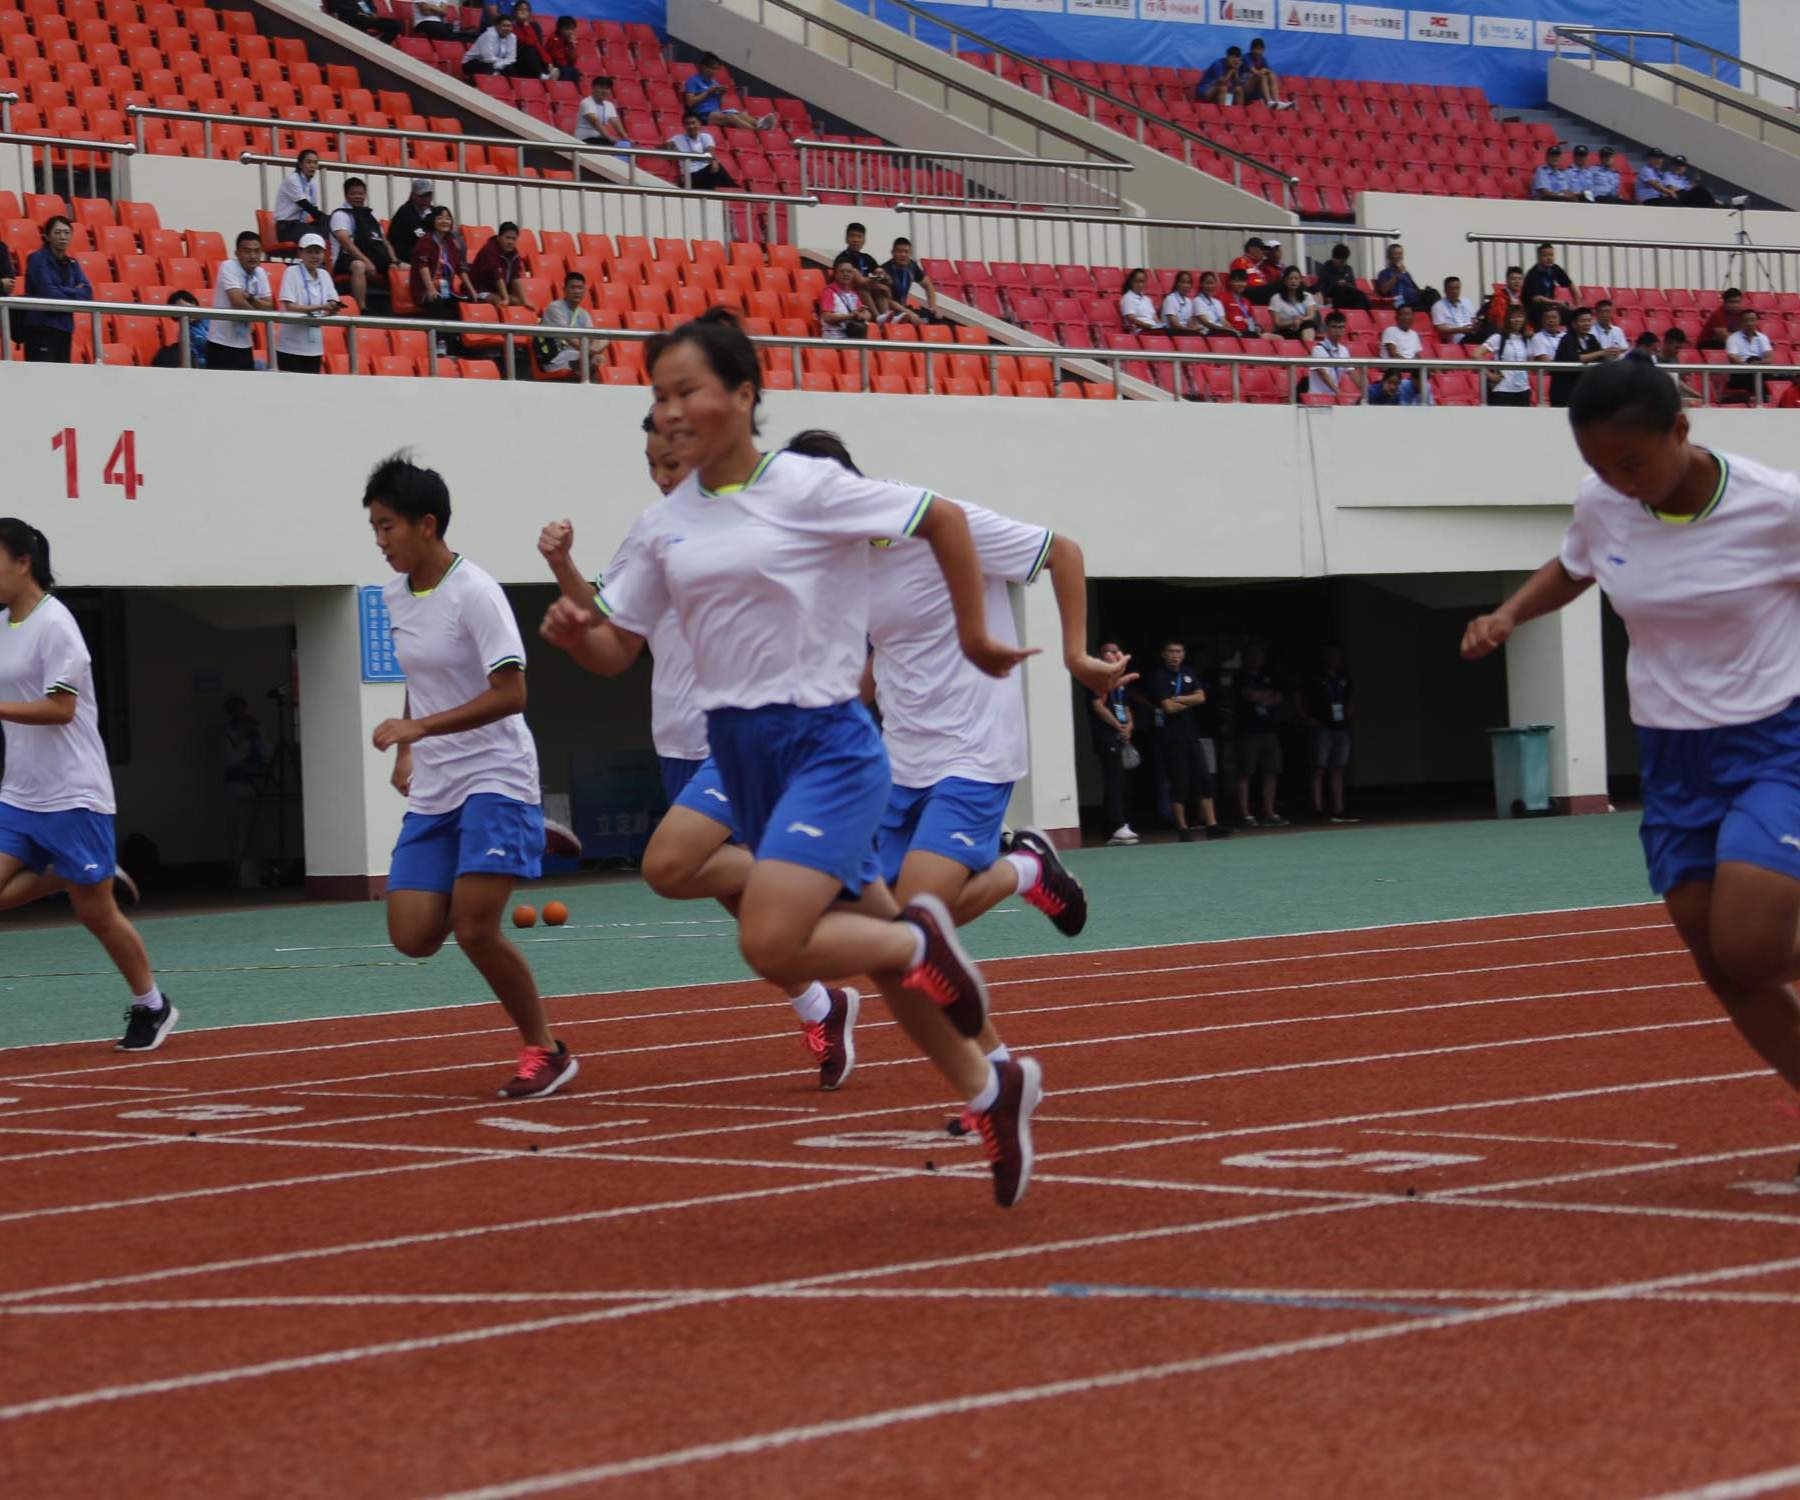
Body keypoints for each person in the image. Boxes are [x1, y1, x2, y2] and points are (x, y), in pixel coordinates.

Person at [540, 309, 1044, 1206]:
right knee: (886, 971)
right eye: (658, 397)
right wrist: (581, 636)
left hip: (827, 744)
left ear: (743, 394)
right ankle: (992, 1082)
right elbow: (621, 650)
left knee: (770, 937)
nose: (671, 412)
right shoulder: (665, 526)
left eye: (688, 390)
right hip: (741, 751)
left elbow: (945, 521)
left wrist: (974, 633)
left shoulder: (808, 487)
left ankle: (920, 932)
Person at [1460, 357, 1800, 1112]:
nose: (1618, 480)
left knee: (1753, 945)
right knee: (1719, 960)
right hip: (1674, 755)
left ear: (1681, 428)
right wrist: (1510, 612)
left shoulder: (1778, 508)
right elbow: (1577, 566)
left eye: (1632, 461)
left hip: (1777, 739)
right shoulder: (1603, 502)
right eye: (1597, 466)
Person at [789, 432, 1120, 1112]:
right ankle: (998, 1069)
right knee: (885, 936)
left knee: (916, 923)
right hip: (901, 759)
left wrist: (1076, 655)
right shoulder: (840, 565)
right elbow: (888, 651)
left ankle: (1022, 871)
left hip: (975, 749)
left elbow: (1064, 552)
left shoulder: (944, 524)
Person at [537, 416, 863, 1090]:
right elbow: (611, 630)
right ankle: (821, 1004)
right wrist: (562, 570)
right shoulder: (653, 532)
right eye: (652, 466)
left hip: (744, 733)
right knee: (741, 911)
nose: (662, 478)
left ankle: (818, 871)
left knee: (671, 866)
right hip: (678, 737)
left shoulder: (753, 525)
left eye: (673, 463)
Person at [365, 454, 577, 1100]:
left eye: (388, 527)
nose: (380, 541)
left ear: (427, 525)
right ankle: (530, 835)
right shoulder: (395, 594)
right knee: (412, 935)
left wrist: (420, 732)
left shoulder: (477, 593)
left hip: (495, 771)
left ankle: (545, 1049)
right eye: (373, 528)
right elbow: (420, 678)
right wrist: (409, 749)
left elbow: (512, 693)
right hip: (437, 784)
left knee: (476, 927)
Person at [0, 520, 172, 1052]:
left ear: (22, 561)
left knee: (95, 913)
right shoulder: (4, 623)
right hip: (19, 792)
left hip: (74, 794)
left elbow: (61, 707)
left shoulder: (58, 626)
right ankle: (73, 872)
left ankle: (153, 1005)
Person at [1149, 641, 1226, 841]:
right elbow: (1168, 708)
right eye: (1171, 651)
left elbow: (1201, 697)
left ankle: (1212, 824)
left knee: (1204, 778)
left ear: (1184, 654)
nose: (1175, 655)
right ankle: (1182, 828)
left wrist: (1178, 699)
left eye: (1179, 651)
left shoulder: (1189, 672)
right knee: (1179, 782)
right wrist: (1188, 699)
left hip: (1192, 735)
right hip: (1171, 738)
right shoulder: (1159, 677)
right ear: (1163, 654)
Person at [19, 217, 92, 364]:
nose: (62, 237)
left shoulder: (72, 263)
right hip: (41, 329)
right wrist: (73, 290)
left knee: (61, 380)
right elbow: (48, 293)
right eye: (57, 232)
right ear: (47, 236)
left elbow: (87, 292)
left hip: (64, 329)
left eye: (66, 232)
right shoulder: (37, 259)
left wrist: (61, 289)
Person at [1090, 644, 1138, 845]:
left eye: (1118, 651)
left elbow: (1125, 706)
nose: (1115, 654)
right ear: (1101, 656)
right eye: (1109, 651)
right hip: (1107, 736)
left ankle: (1109, 829)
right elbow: (1098, 706)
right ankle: (1118, 826)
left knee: (1119, 781)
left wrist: (1129, 726)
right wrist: (1118, 726)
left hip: (1120, 735)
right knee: (1113, 780)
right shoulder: (1095, 677)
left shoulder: (1119, 682)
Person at [205, 230, 273, 373]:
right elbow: (237, 301)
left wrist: (249, 297)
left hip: (245, 344)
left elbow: (270, 306)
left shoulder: (260, 272)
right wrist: (257, 310)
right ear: (237, 253)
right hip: (220, 343)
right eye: (247, 251)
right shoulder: (228, 266)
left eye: (257, 251)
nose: (253, 256)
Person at [1235, 642, 1287, 826]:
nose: (1256, 658)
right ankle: (1246, 814)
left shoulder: (1269, 675)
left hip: (1269, 730)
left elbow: (1279, 697)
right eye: (1252, 654)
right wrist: (1266, 697)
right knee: (1246, 772)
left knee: (1271, 771)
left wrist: (1261, 697)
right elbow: (1250, 696)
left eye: (1260, 654)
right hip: (1248, 730)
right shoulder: (1240, 676)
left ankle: (1270, 812)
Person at [275, 233, 340, 374]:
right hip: (291, 347)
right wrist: (322, 307)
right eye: (309, 252)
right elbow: (290, 307)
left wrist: (333, 307)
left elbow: (333, 301)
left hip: (315, 347)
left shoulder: (324, 275)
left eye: (318, 252)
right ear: (300, 253)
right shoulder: (291, 272)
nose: (314, 256)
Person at [1305, 645, 1355, 823]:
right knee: (1319, 767)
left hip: (1341, 727)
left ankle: (1339, 809)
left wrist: (1348, 718)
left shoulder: (1344, 678)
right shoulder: (1316, 678)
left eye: (1336, 656)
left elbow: (1349, 698)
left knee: (1338, 768)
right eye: (1330, 656)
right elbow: (1300, 696)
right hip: (1322, 727)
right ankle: (1317, 809)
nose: (1333, 659)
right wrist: (1307, 718)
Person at [328, 177, 392, 313]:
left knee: (402, 267)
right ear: (346, 195)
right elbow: (346, 244)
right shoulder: (340, 215)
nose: (358, 197)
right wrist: (366, 261)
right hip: (344, 259)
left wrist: (394, 260)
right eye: (353, 194)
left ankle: (400, 309)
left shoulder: (370, 215)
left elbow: (383, 240)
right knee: (359, 265)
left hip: (370, 256)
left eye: (361, 194)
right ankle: (361, 308)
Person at [222, 693, 266, 888]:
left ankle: (257, 876)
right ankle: (242, 878)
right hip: (237, 784)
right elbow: (230, 759)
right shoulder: (228, 732)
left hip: (256, 783)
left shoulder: (255, 732)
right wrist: (242, 738)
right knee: (240, 833)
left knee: (257, 832)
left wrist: (257, 734)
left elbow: (266, 752)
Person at [411, 205, 473, 327]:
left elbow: (460, 269)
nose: (445, 221)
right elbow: (423, 266)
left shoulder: (451, 242)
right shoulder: (426, 240)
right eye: (440, 218)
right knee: (438, 303)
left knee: (463, 305)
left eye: (448, 218)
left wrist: (472, 291)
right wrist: (430, 289)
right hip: (426, 289)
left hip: (445, 289)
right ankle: (440, 342)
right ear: (433, 220)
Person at [683, 51, 774, 132]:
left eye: (716, 69)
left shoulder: (714, 82)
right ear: (703, 67)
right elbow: (690, 102)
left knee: (740, 114)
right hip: (702, 115)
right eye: (713, 68)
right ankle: (757, 131)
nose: (715, 72)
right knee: (731, 117)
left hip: (716, 112)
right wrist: (708, 92)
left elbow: (719, 105)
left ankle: (760, 123)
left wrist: (721, 95)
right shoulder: (693, 80)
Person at [536, 271, 601, 377]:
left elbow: (593, 337)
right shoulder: (555, 307)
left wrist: (592, 350)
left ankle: (585, 368)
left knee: (605, 340)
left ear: (584, 291)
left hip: (578, 353)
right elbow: (568, 337)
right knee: (592, 359)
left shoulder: (584, 314)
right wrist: (589, 352)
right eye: (573, 287)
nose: (577, 291)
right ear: (564, 290)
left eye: (580, 288)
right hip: (555, 357)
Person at [1550, 306, 1606, 408]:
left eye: (1589, 320)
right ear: (1574, 324)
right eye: (1583, 321)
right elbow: (1575, 359)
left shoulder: (1591, 338)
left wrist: (1609, 354)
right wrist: (1600, 353)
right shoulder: (1567, 339)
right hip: (1563, 393)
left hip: (1581, 391)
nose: (1587, 324)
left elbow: (1601, 357)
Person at [1482, 303, 1533, 408]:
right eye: (1514, 317)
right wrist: (1490, 375)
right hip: (1503, 390)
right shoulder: (1498, 338)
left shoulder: (1526, 340)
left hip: (1523, 390)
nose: (1517, 320)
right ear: (1508, 319)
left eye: (1520, 316)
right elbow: (1475, 355)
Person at [272, 150, 328, 245]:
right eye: (308, 162)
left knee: (328, 229)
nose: (312, 166)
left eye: (315, 163)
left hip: (299, 225)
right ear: (300, 165)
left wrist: (326, 222)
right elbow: (305, 205)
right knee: (317, 234)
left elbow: (314, 209)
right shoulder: (292, 179)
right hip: (286, 227)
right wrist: (326, 218)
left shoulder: (311, 184)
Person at [471, 221, 530, 308]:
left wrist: (525, 301)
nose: (510, 242)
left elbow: (515, 278)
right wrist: (506, 298)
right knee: (499, 302)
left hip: (498, 291)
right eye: (507, 238)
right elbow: (498, 277)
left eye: (514, 239)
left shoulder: (514, 253)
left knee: (518, 302)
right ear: (498, 237)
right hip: (480, 290)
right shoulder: (489, 250)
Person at [1306, 311, 1360, 401]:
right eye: (1334, 327)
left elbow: (1352, 373)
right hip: (1317, 398)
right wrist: (1338, 392)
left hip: (1333, 398)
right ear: (1327, 328)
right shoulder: (1318, 349)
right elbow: (1323, 374)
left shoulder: (1344, 350)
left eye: (1341, 327)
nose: (1338, 331)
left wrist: (1365, 391)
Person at [150, 289, 209, 369]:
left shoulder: (213, 319)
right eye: (182, 309)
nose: (188, 312)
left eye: (190, 305)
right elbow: (193, 358)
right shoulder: (185, 333)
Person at [880, 238, 936, 322]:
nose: (903, 255)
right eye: (899, 251)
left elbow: (928, 285)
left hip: (904, 309)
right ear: (892, 253)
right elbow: (887, 301)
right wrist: (910, 313)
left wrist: (932, 307)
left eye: (906, 252)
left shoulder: (912, 266)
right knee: (915, 320)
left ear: (910, 253)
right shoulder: (884, 270)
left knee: (936, 319)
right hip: (891, 312)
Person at [669, 111, 728, 191]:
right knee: (717, 171)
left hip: (705, 172)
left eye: (693, 123)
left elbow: (711, 151)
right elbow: (660, 148)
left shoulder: (706, 137)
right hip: (690, 174)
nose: (691, 126)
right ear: (684, 126)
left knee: (715, 167)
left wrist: (714, 161)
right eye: (687, 124)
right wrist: (669, 146)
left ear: (699, 123)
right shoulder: (677, 139)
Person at [1726, 307, 1774, 402]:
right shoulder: (1733, 338)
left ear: (1757, 321)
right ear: (1741, 322)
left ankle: (1762, 398)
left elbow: (1769, 358)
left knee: (1782, 375)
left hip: (1759, 370)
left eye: (1752, 320)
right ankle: (1764, 398)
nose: (1749, 323)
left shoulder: (1762, 338)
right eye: (1746, 320)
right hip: (1740, 373)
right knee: (1752, 361)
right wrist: (1748, 366)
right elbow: (1732, 357)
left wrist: (1757, 364)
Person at [1267, 266, 1320, 350]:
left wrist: (1300, 320)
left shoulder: (1307, 296)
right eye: (1290, 278)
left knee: (1309, 324)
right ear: (1284, 281)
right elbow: (1277, 323)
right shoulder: (1276, 298)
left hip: (1303, 327)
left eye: (1296, 278)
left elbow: (1311, 315)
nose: (1293, 281)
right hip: (1285, 330)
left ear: (1300, 280)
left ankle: (1309, 350)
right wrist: (1292, 322)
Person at [386, 180, 437, 267]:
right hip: (406, 260)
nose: (425, 199)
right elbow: (420, 237)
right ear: (413, 195)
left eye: (428, 195)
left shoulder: (434, 212)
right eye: (421, 195)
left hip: (427, 259)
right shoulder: (405, 212)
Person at [1523, 242, 1573, 329]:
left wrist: (1578, 303)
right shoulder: (1532, 274)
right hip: (1534, 309)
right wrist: (1557, 302)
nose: (1549, 258)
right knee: (1547, 313)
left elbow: (1570, 285)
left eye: (1551, 255)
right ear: (1539, 258)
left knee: (1573, 314)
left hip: (1550, 306)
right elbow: (1537, 299)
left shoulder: (1555, 268)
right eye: (1545, 256)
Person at [818, 258, 871, 339]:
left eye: (849, 272)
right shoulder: (829, 292)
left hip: (852, 337)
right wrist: (850, 316)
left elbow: (866, 314)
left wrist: (862, 315)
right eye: (842, 271)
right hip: (834, 338)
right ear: (835, 274)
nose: (846, 274)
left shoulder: (854, 294)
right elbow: (827, 317)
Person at [1314, 243, 1370, 312]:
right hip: (1334, 297)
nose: (1343, 263)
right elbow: (1321, 288)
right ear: (1334, 258)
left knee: (1361, 295)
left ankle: (1366, 315)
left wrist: (1347, 284)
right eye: (1341, 261)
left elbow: (1353, 286)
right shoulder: (1326, 269)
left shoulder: (1348, 269)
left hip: (1347, 296)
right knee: (1339, 291)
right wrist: (1335, 285)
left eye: (1344, 261)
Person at [577, 77, 630, 148]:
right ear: (593, 88)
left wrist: (626, 138)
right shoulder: (586, 102)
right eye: (601, 88)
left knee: (625, 145)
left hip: (601, 139)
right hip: (585, 139)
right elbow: (595, 122)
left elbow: (615, 122)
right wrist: (609, 137)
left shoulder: (609, 105)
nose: (605, 91)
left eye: (607, 89)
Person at [1243, 37, 1291, 109]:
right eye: (1256, 49)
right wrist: (1263, 71)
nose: (1258, 52)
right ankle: (1268, 102)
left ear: (1263, 50)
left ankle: (1276, 101)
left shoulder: (1263, 59)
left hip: (1257, 88)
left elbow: (1270, 72)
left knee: (1271, 75)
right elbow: (1255, 72)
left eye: (1260, 49)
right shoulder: (1246, 57)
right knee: (1262, 75)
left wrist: (1266, 71)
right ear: (1251, 49)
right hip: (1245, 87)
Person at [1430, 275, 1477, 344]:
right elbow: (1440, 328)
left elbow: (1473, 320)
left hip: (1471, 333)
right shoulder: (1438, 306)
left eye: (1457, 288)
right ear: (1445, 290)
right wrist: (1460, 330)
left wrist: (1475, 325)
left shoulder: (1466, 302)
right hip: (1456, 339)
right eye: (1452, 289)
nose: (1455, 291)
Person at [1374, 242, 1421, 310]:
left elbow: (1415, 288)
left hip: (1414, 300)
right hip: (1401, 302)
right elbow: (1384, 290)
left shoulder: (1405, 273)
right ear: (1389, 257)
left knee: (1431, 294)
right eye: (1396, 254)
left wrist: (1404, 273)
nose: (1399, 256)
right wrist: (1397, 274)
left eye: (1400, 254)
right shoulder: (1384, 273)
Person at [509, 1, 551, 78]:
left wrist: (549, 62)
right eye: (520, 9)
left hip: (533, 61)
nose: (523, 12)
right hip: (518, 60)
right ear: (515, 12)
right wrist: (526, 25)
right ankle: (540, 75)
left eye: (526, 10)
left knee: (534, 51)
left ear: (529, 13)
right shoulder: (511, 27)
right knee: (529, 49)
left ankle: (543, 73)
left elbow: (538, 46)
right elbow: (528, 42)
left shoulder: (535, 26)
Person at [1484, 265, 1526, 339]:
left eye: (1519, 279)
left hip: (1517, 333)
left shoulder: (1523, 297)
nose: (1517, 281)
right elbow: (1500, 322)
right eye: (1513, 279)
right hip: (1501, 335)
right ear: (1506, 280)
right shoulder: (1499, 297)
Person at [1118, 267, 1163, 334]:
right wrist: (1149, 327)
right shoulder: (1127, 298)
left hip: (1153, 329)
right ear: (1131, 282)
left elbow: (1155, 319)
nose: (1140, 285)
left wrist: (1161, 326)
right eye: (1137, 281)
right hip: (1140, 331)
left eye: (1143, 282)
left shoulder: (1147, 299)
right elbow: (1132, 319)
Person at [328, 0, 400, 41]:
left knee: (395, 25)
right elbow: (335, 9)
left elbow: (370, 5)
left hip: (367, 17)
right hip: (350, 17)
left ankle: (379, 47)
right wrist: (357, 12)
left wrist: (372, 12)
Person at [1191, 270, 1231, 336]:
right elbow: (1205, 323)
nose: (1210, 286)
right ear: (1201, 284)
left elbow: (1223, 321)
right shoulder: (1197, 301)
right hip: (1207, 332)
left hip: (1220, 331)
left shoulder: (1217, 302)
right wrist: (1222, 329)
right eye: (1207, 283)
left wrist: (1232, 329)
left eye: (1212, 283)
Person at [1160, 269, 1198, 334]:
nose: (1186, 286)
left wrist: (1193, 327)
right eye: (1183, 282)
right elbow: (1174, 325)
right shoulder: (1170, 299)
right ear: (1177, 284)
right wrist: (1191, 330)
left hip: (1185, 332)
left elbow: (1190, 322)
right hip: (1172, 333)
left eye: (1188, 283)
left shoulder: (1189, 301)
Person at [543, 15, 580, 82]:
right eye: (567, 29)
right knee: (567, 70)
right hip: (552, 68)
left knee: (575, 72)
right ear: (560, 28)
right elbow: (558, 60)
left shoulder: (570, 41)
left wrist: (571, 46)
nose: (570, 32)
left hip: (564, 68)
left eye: (572, 29)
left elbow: (573, 60)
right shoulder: (554, 39)